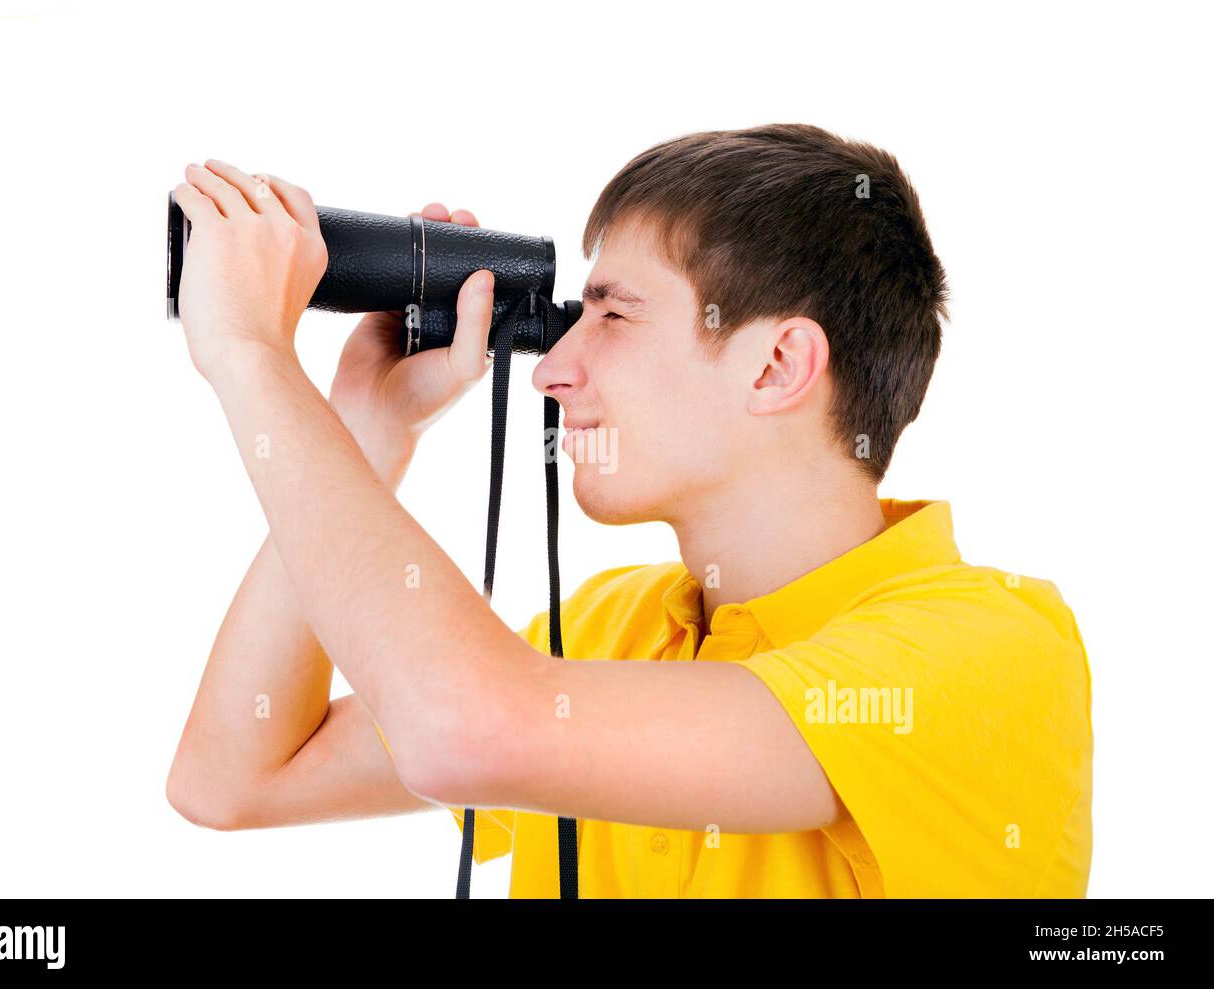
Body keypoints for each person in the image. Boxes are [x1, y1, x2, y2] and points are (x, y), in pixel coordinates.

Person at [165, 124, 1092, 898]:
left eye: (612, 316)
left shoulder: (991, 650)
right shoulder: (616, 624)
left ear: (776, 366)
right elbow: (236, 776)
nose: (554, 370)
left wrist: (251, 356)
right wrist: (367, 431)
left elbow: (468, 730)